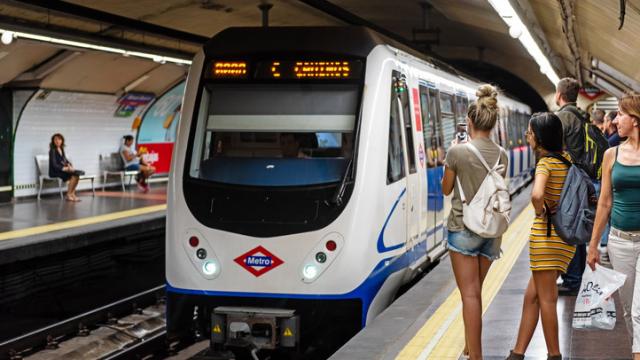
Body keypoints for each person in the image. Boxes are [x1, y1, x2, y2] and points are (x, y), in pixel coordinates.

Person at [441, 84, 507, 360]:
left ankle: (475, 356)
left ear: (469, 121)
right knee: (476, 291)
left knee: (469, 295)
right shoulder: (502, 153)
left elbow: (446, 189)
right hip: (492, 231)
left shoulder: (457, 152)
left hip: (463, 228)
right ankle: (470, 345)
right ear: (492, 122)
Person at [506, 113, 574, 360]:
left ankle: (554, 355)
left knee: (546, 298)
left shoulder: (545, 164)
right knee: (531, 296)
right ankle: (517, 353)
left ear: (540, 137)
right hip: (565, 239)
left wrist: (540, 209)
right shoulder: (566, 160)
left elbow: (537, 195)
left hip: (546, 238)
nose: (527, 136)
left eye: (530, 132)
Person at [587, 93, 640, 360]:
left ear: (636, 120)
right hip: (620, 242)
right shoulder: (611, 154)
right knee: (630, 311)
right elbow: (605, 203)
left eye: (621, 114)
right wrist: (594, 245)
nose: (616, 120)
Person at [554, 77, 588, 295]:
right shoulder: (583, 116)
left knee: (570, 227)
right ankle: (578, 276)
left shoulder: (562, 118)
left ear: (559, 95)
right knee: (579, 226)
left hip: (569, 178)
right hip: (584, 176)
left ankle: (573, 279)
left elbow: (554, 148)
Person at [48, 133, 81, 202]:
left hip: (61, 170)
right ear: (53, 141)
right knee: (73, 175)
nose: (57, 141)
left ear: (62, 141)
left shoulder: (61, 149)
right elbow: (54, 165)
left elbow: (64, 160)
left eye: (59, 139)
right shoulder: (52, 151)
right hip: (54, 172)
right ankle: (69, 195)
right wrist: (65, 168)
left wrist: (69, 165)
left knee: (76, 175)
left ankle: (72, 194)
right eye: (56, 139)